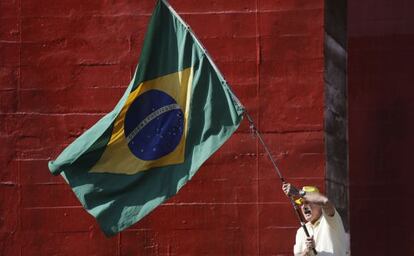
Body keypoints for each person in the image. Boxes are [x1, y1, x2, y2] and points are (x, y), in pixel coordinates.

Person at [282, 183, 349, 256]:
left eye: (307, 202)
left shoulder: (330, 220)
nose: (304, 206)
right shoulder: (301, 232)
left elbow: (324, 201)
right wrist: (307, 251)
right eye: (302, 203)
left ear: (319, 204)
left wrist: (298, 192)